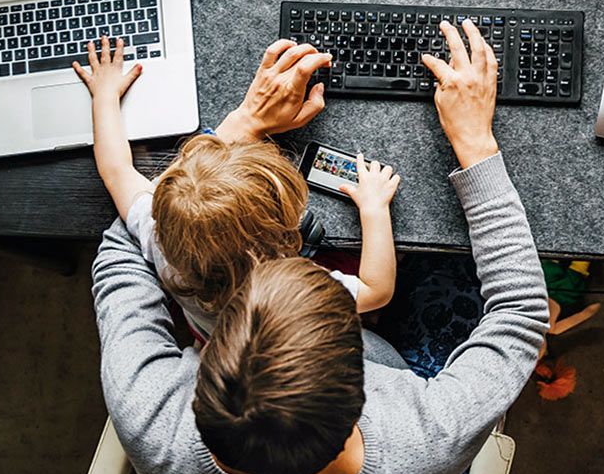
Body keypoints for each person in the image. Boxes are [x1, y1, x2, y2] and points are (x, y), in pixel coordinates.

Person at [90, 21, 549, 474]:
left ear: (205, 361)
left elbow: (124, 244)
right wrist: (475, 141)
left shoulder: (146, 416)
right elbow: (519, 313)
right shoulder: (424, 436)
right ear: (364, 388)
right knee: (450, 281)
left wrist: (238, 133)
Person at [73, 36, 401, 338]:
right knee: (346, 261)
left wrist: (104, 96)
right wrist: (374, 209)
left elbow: (116, 170)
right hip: (281, 332)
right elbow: (377, 290)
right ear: (286, 235)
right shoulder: (292, 289)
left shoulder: (156, 228)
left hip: (212, 332)